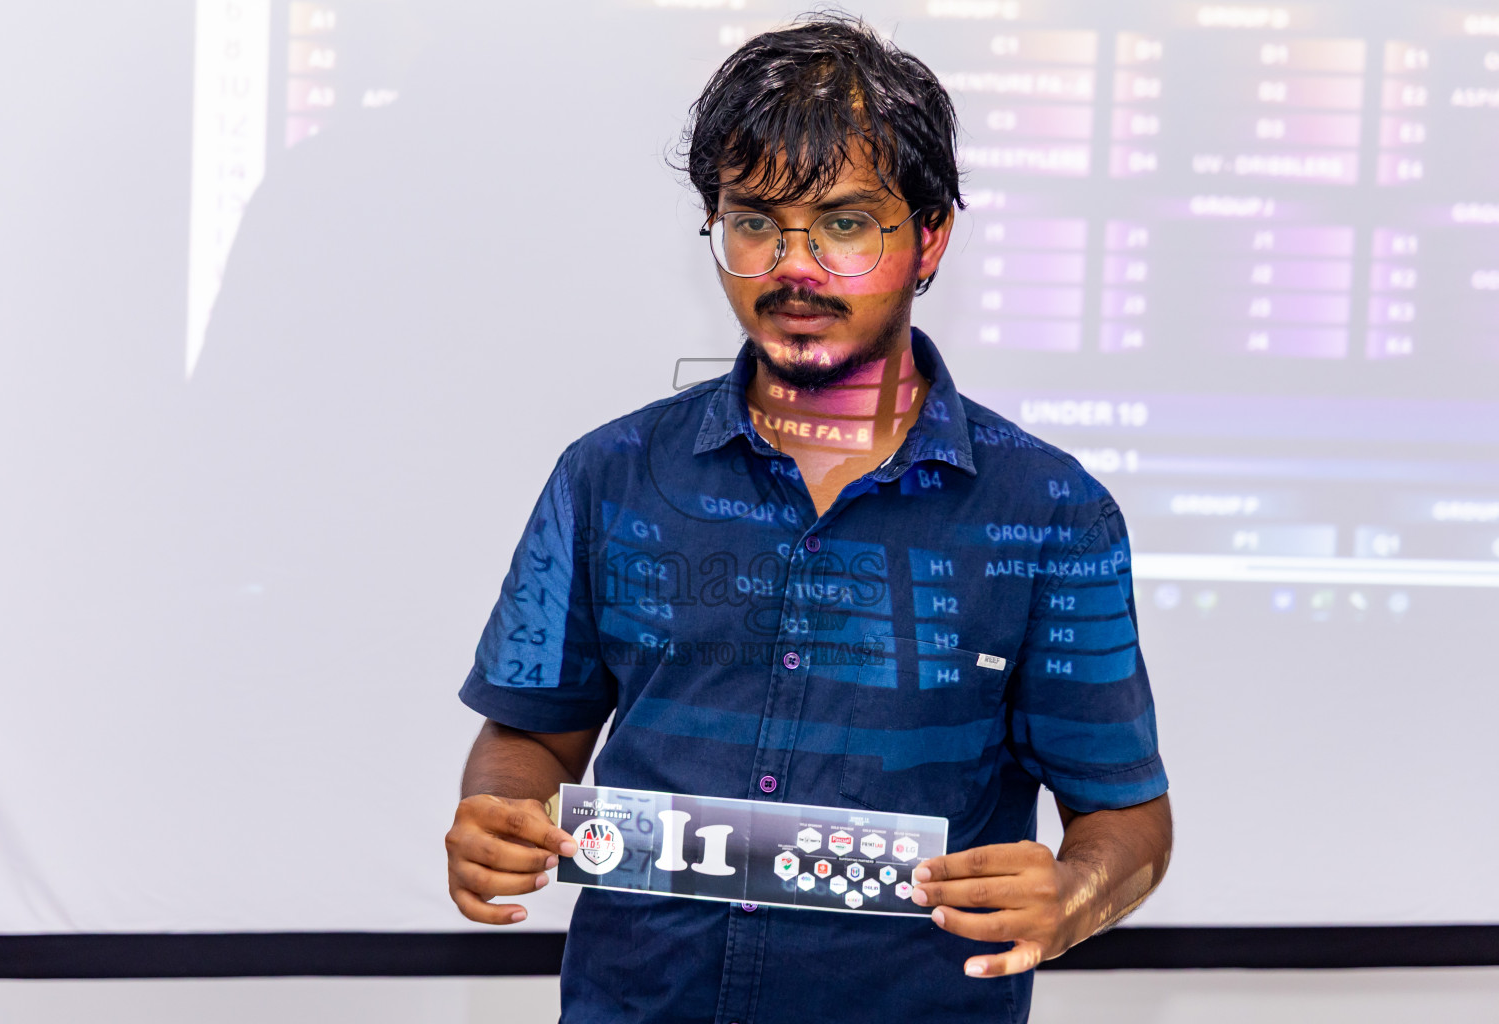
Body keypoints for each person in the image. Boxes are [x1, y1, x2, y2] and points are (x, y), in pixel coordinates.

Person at [445, 14, 1171, 1021]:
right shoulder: (608, 477)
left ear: (928, 237)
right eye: (753, 221)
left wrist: (1078, 893)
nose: (794, 266)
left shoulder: (1050, 513)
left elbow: (1126, 816)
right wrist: (503, 809)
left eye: (842, 223)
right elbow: (532, 736)